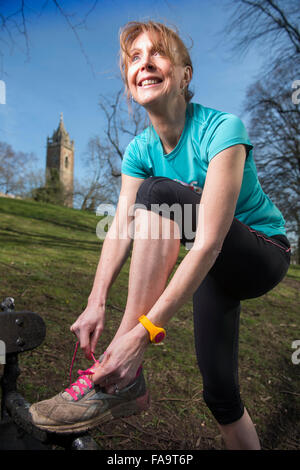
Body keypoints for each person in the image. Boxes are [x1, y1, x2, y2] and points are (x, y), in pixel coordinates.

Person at [29, 20, 291, 450]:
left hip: (260, 252)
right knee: (220, 396)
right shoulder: (139, 150)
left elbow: (208, 240)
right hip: (211, 264)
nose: (144, 64)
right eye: (134, 58)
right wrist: (96, 301)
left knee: (158, 192)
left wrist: (143, 333)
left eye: (158, 53)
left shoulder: (223, 130)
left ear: (185, 75)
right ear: (130, 83)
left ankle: (123, 373)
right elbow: (121, 226)